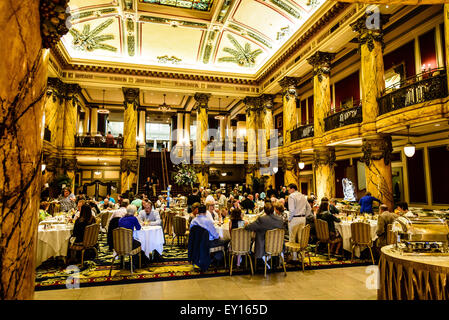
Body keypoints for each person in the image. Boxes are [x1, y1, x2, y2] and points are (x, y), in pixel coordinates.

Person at [245, 202, 284, 269]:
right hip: (277, 245)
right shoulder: (280, 220)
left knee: (251, 244)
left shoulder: (262, 219)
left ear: (264, 210)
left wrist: (246, 224)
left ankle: (257, 264)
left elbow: (248, 227)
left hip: (264, 246)